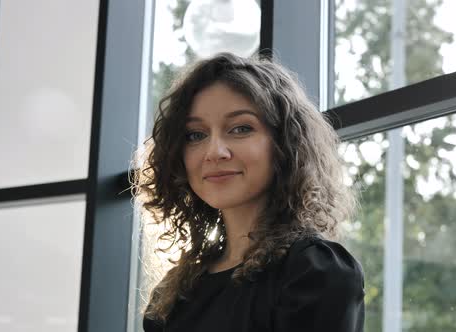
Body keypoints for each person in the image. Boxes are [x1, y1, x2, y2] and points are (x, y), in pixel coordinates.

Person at [133, 52, 365, 332]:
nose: (214, 152)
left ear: (285, 146)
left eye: (241, 128)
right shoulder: (174, 292)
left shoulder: (315, 272)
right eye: (195, 135)